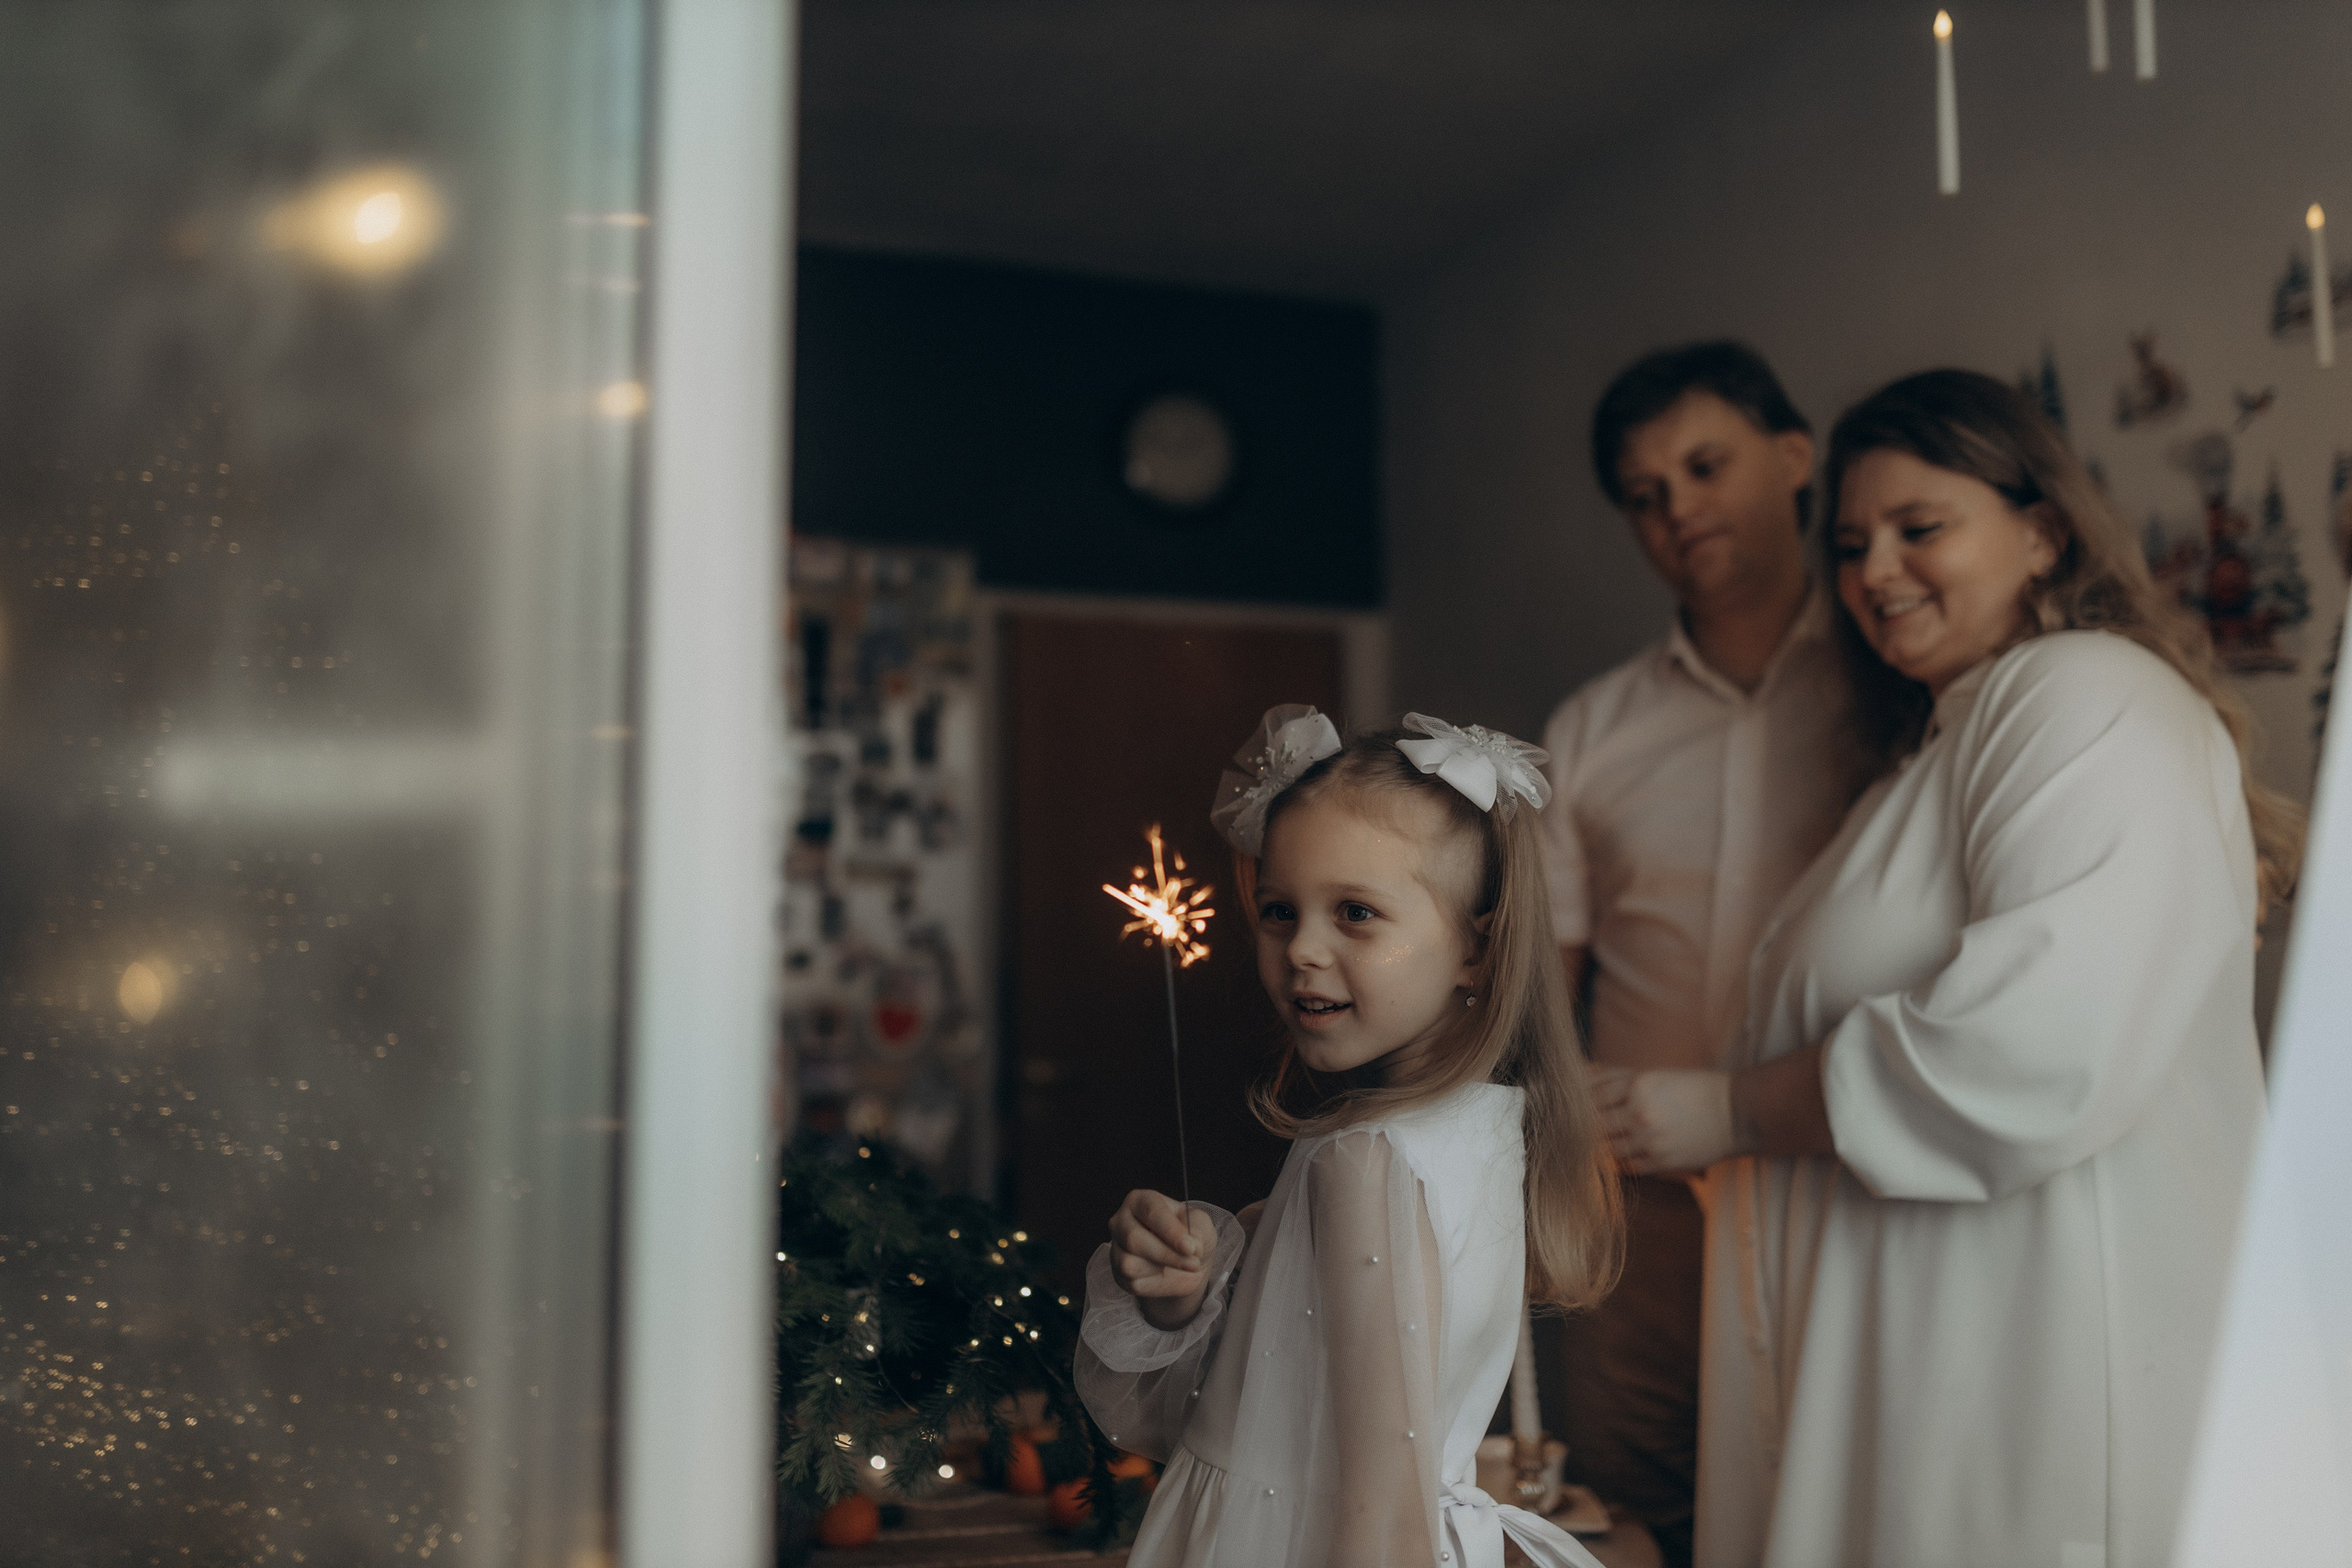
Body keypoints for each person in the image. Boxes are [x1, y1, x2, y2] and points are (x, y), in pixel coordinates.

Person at [1598, 369, 2302, 1567]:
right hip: (1920, 1378)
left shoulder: (2087, 691)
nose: (1875, 572)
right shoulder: (1929, 757)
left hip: (2041, 1385)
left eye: (1921, 529)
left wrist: (1728, 1111)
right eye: (1856, 544)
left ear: (2042, 530)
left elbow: (2032, 1040)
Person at [1075, 705, 1625, 1568]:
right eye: (1280, 909)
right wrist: (1182, 1290)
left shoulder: (1365, 1161)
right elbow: (1262, 1374)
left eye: (1356, 913)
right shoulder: (1479, 1126)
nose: (1303, 949)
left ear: (1475, 951)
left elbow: (1378, 1487)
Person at [1540, 342, 1860, 1566]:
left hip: (1836, 1172)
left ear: (1794, 459)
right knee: (1636, 1507)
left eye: (1704, 464)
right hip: (1642, 1201)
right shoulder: (1592, 726)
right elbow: (1548, 984)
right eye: (1644, 492)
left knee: (1825, 1492)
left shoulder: (1891, 687)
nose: (1677, 507)